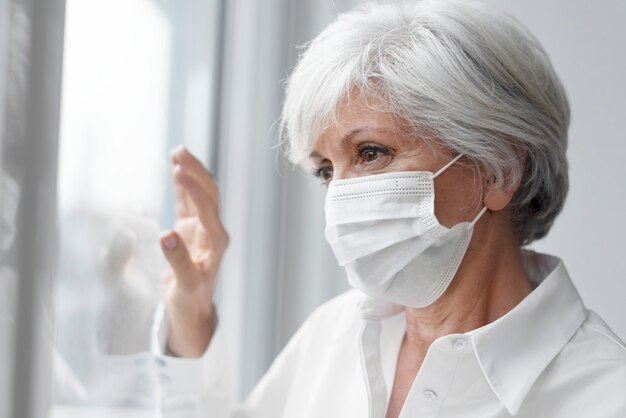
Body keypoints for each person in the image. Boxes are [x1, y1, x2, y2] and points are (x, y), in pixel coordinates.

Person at [156, 1, 626, 417]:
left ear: (499, 170)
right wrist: (191, 316)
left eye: (370, 152)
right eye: (325, 170)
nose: (339, 197)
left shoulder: (607, 396)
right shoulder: (335, 333)